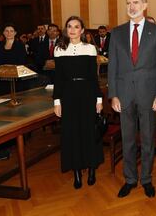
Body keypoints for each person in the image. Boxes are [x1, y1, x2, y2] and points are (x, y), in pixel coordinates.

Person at [108, 0, 156, 199]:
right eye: (128, 3)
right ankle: (130, 179)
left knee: (148, 139)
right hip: (123, 95)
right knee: (127, 139)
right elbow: (112, 67)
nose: (131, 7)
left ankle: (147, 179)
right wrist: (113, 95)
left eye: (135, 2)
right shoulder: (116, 33)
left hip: (149, 94)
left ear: (144, 5)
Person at [53, 16, 103, 189]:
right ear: (66, 29)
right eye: (69, 26)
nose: (72, 29)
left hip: (87, 94)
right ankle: (76, 172)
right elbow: (58, 78)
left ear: (82, 30)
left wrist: (99, 99)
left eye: (76, 27)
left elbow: (93, 77)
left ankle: (91, 170)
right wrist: (57, 101)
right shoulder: (59, 50)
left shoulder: (90, 49)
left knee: (88, 131)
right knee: (71, 133)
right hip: (67, 95)